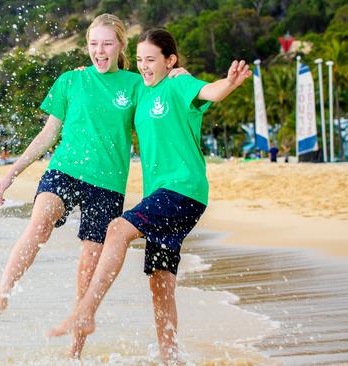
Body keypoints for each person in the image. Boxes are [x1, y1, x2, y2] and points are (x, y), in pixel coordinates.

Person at [48, 28, 251, 364]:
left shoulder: (178, 84)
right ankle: (170, 358)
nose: (143, 66)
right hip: (159, 194)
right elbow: (108, 86)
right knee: (160, 282)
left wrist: (229, 82)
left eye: (151, 60)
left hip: (183, 190)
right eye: (140, 59)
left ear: (170, 60)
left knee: (117, 229)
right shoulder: (139, 91)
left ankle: (86, 311)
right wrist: (85, 71)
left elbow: (211, 92)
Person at [0, 15, 188, 322]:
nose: (100, 50)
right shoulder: (71, 80)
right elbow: (47, 135)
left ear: (121, 45)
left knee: (90, 264)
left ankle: (75, 347)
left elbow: (164, 91)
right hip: (65, 170)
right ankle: (2, 292)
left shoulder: (136, 85)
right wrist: (10, 174)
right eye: (94, 44)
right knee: (39, 225)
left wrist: (178, 73)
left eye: (107, 43)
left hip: (108, 185)